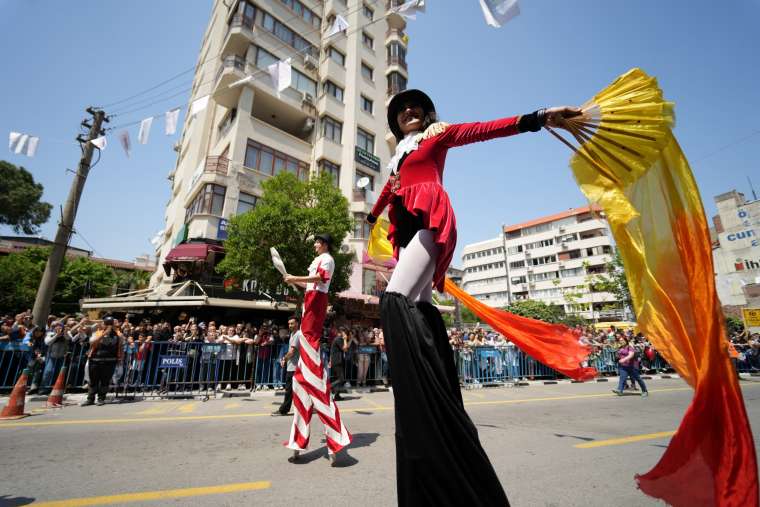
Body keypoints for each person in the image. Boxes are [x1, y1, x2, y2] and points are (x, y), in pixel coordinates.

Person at [368, 88, 580, 505]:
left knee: (393, 301)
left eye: (415, 106)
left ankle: (426, 400)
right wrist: (370, 214)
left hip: (430, 221)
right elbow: (389, 192)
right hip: (407, 230)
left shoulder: (438, 136)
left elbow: (485, 130)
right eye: (400, 109)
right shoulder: (399, 158)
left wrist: (538, 116)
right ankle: (441, 397)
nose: (408, 111)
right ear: (394, 123)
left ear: (427, 114)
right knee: (420, 308)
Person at [282, 234, 352, 465]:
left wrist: (295, 276)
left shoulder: (328, 259)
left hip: (316, 303)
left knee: (309, 339)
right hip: (310, 302)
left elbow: (320, 279)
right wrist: (293, 281)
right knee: (300, 385)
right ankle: (298, 443)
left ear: (324, 244)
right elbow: (310, 282)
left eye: (316, 242)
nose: (313, 244)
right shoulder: (319, 260)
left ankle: (334, 441)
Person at [82, 316, 124, 406]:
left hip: (110, 361)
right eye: (106, 324)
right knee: (93, 381)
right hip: (95, 360)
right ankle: (90, 399)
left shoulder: (118, 335)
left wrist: (120, 359)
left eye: (110, 324)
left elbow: (121, 347)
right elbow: (92, 343)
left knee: (105, 381)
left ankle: (101, 399)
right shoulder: (97, 333)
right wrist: (104, 333)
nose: (108, 326)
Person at [272, 317, 303, 416]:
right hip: (292, 366)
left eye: (292, 323)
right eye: (289, 324)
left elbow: (292, 351)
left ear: (297, 324)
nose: (290, 325)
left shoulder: (297, 334)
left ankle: (283, 410)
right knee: (297, 389)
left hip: (294, 367)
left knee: (289, 390)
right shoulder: (292, 335)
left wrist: (284, 359)